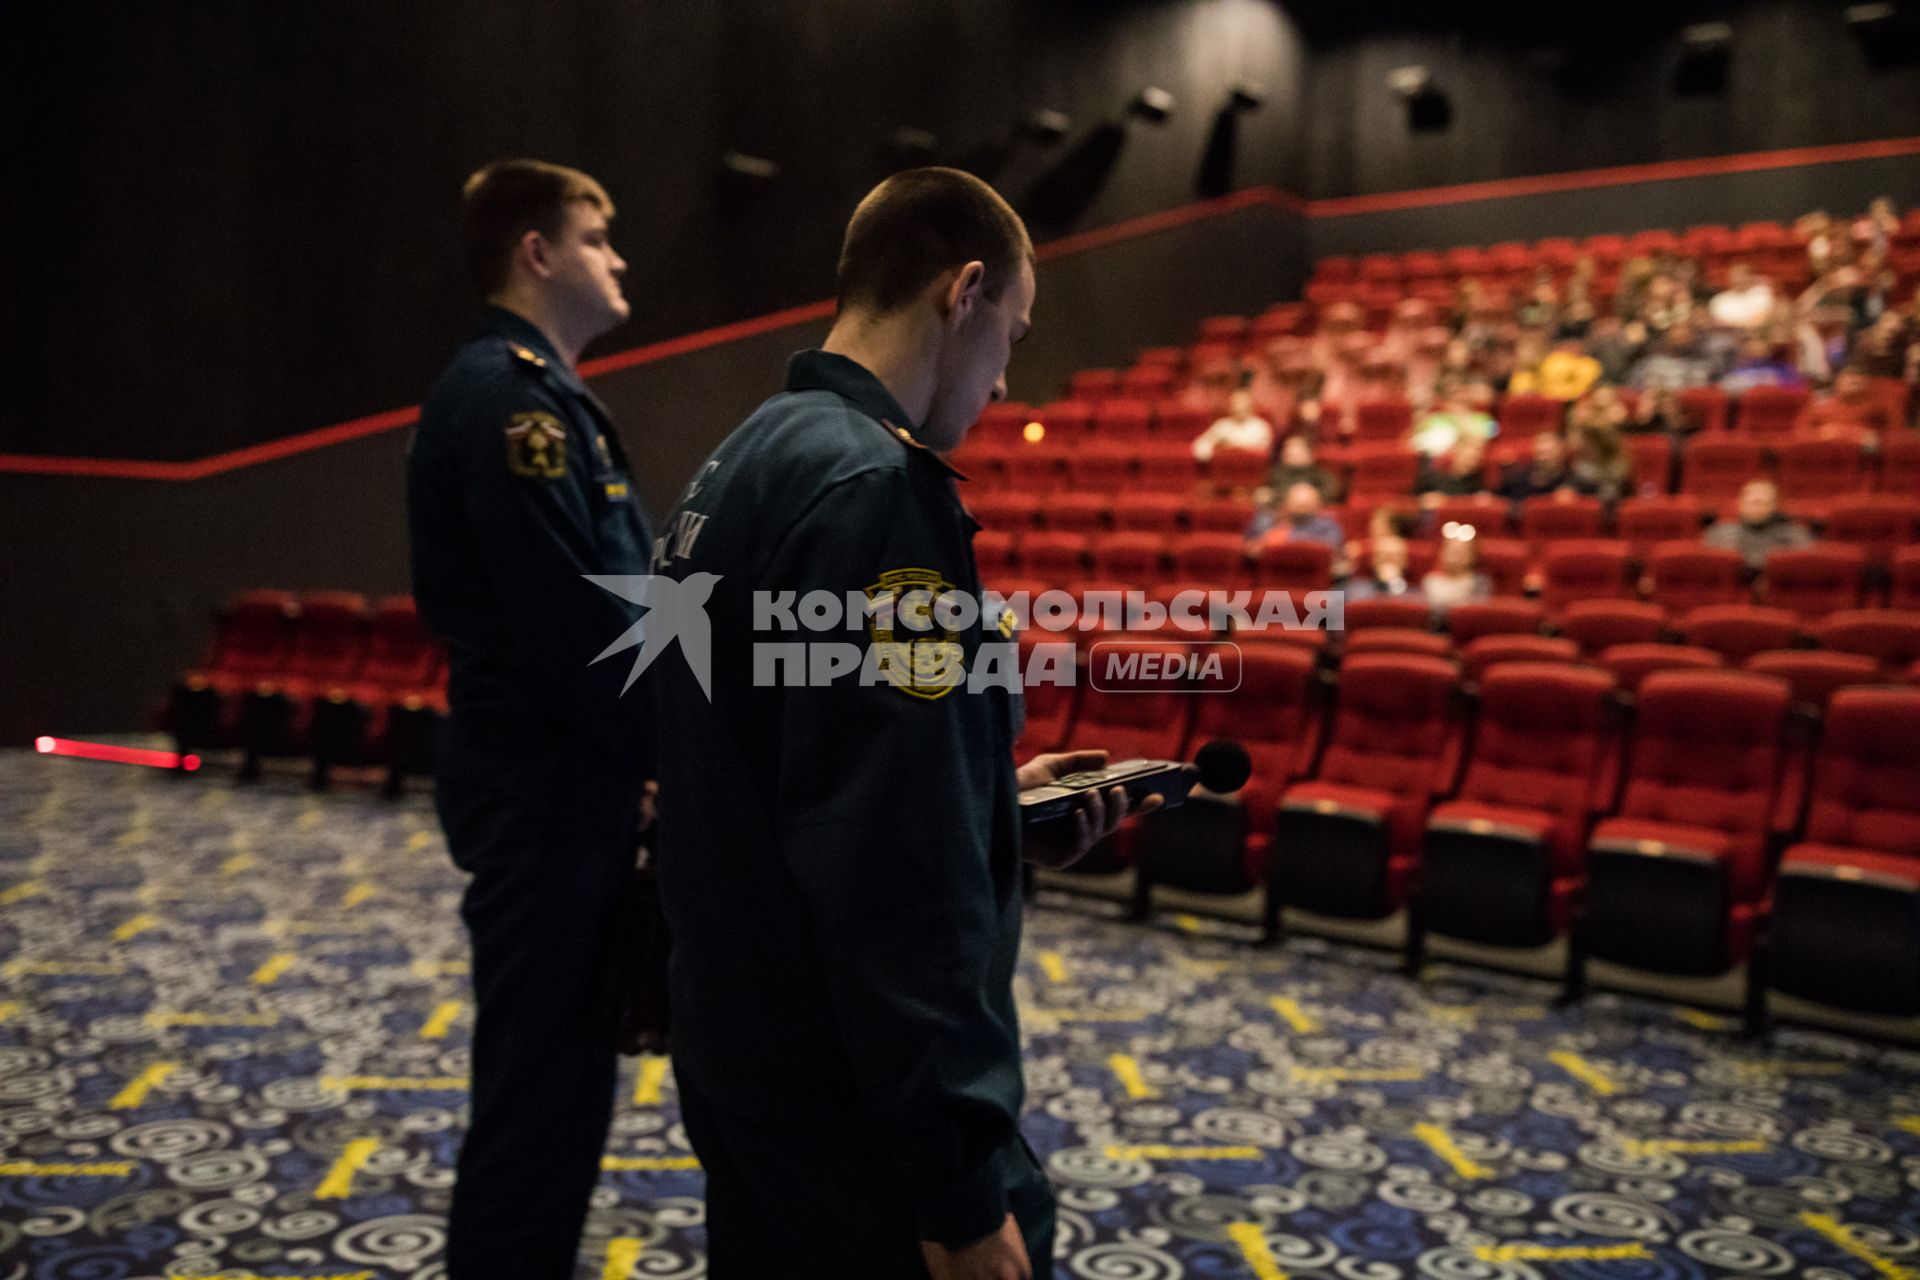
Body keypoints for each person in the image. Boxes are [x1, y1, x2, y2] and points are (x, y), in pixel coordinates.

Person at [649, 168, 1147, 1279]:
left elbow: (785, 770)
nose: (1008, 381)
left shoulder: (740, 463)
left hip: (747, 1055)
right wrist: (960, 1186)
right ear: (962, 291)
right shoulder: (879, 495)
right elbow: (892, 866)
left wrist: (992, 803)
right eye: (1011, 333)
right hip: (854, 1107)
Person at [406, 160, 655, 1279]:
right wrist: (682, 754)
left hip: (570, 786)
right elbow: (578, 629)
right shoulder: (511, 401)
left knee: (559, 1094)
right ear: (537, 252)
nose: (620, 257)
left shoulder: (543, 393)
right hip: (546, 793)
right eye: (599, 236)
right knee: (537, 1103)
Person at [1704, 478, 1813, 571]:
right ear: (1740, 504)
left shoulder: (1796, 535)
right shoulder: (1718, 533)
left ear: (1775, 506)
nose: (1758, 508)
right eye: (1753, 502)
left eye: (1764, 503)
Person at [1250, 481, 1346, 553]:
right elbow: (1250, 547)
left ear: (1317, 506)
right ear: (1286, 504)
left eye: (1306, 506)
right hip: (1272, 571)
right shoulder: (1266, 520)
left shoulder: (1328, 526)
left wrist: (1282, 538)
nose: (1302, 511)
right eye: (1297, 506)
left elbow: (1327, 550)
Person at [1190, 386, 1274, 461]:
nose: (1239, 408)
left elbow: (1263, 452)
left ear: (1250, 406)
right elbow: (1201, 445)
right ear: (1231, 407)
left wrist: (1230, 444)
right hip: (1224, 471)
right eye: (1237, 404)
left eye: (1243, 404)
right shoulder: (1222, 425)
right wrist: (1214, 452)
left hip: (1251, 472)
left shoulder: (1261, 427)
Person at [1498, 432, 1579, 504]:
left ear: (1561, 452)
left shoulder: (1572, 479)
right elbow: (1499, 501)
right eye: (1540, 453)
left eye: (1549, 453)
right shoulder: (1518, 478)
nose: (1544, 458)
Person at [1421, 532, 1491, 614]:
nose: (1453, 558)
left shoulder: (1480, 583)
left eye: (1459, 553)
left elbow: (1476, 612)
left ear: (1472, 556)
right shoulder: (1430, 580)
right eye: (1450, 551)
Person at [1264, 434, 1342, 503]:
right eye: (1290, 454)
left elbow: (1331, 491)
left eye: (1298, 454)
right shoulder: (1276, 474)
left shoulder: (1321, 475)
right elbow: (1267, 492)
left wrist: (1308, 497)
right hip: (1281, 512)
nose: (1293, 457)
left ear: (1310, 455)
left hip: (1313, 513)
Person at [1345, 533, 1414, 599]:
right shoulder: (1354, 589)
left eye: (1394, 558)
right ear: (1373, 561)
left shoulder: (1417, 592)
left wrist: (1394, 582)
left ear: (1405, 562)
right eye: (1383, 558)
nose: (1388, 563)